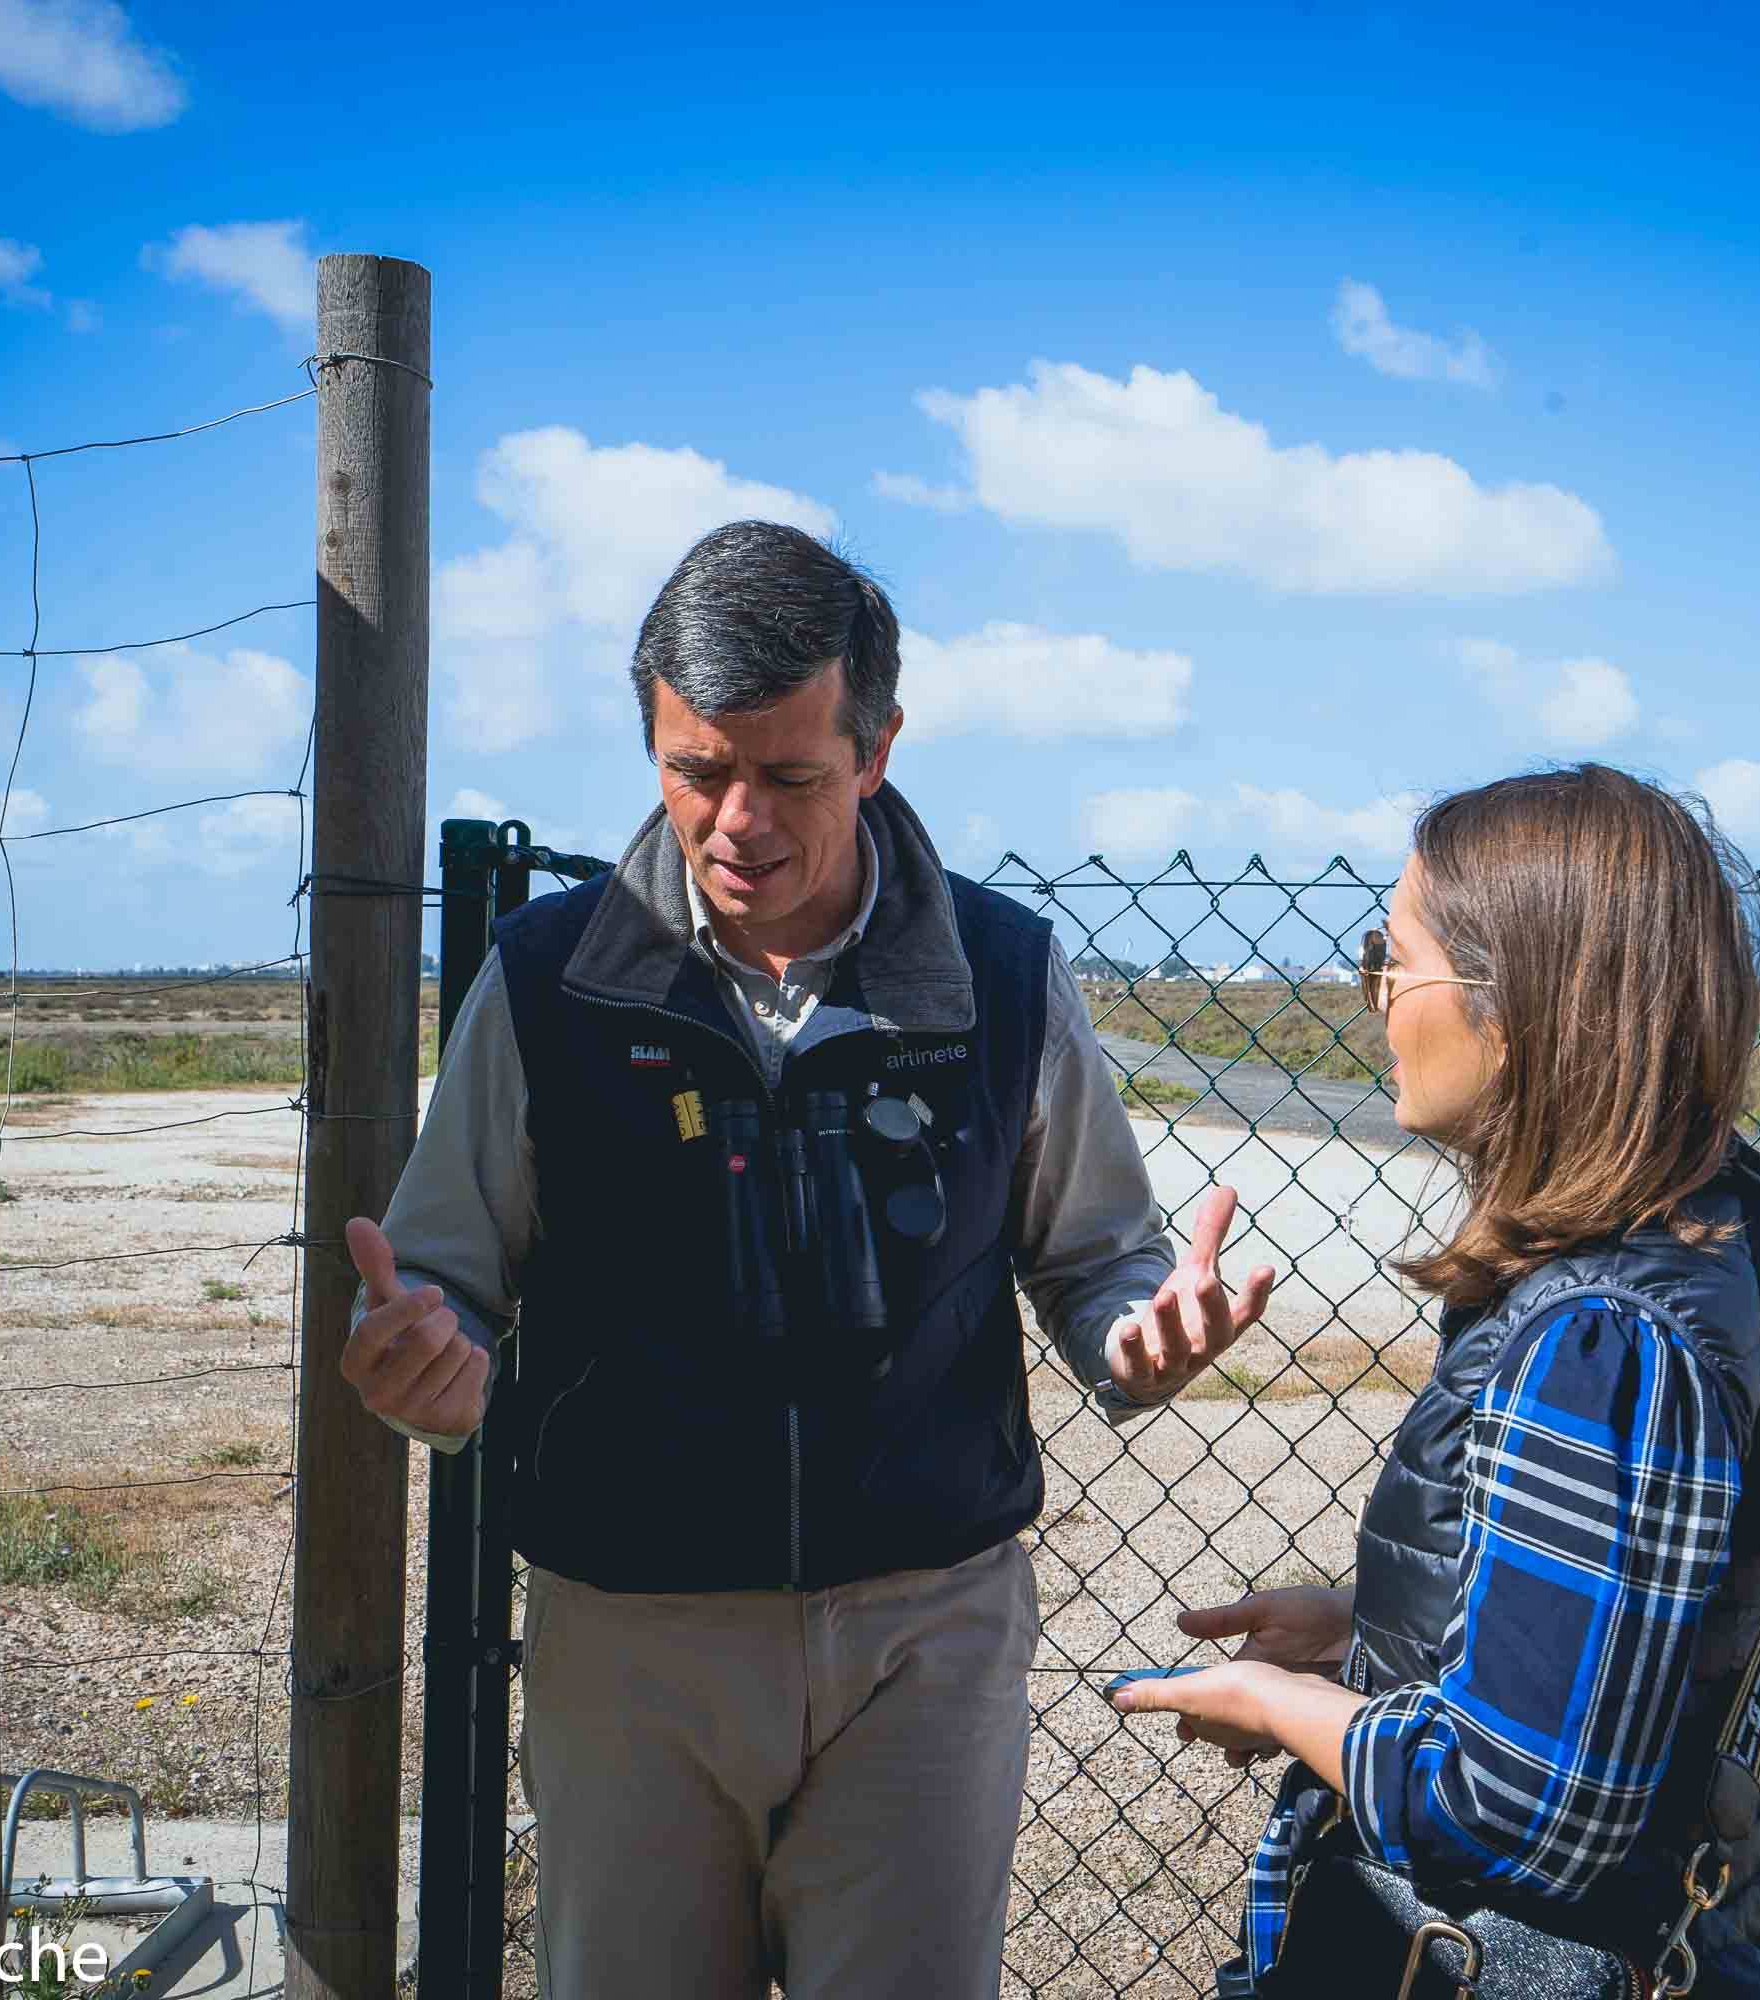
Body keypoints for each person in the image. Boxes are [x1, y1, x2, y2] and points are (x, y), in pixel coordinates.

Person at [338, 520, 1277, 1999]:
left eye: (788, 777)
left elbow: (1097, 1256)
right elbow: (446, 1282)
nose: (735, 823)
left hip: (928, 1638)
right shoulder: (547, 982)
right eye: (693, 770)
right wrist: (422, 1365)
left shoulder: (1009, 975)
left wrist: (1138, 1334)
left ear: (879, 746)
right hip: (627, 1636)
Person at [1112, 766, 1760, 1999]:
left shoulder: (1603, 1336)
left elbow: (1517, 1809)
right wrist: (1378, 1627)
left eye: (1392, 958)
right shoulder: (1728, 1225)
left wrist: (1280, 1704)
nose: (1378, 1001)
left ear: (1518, 998)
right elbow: (1654, 1647)